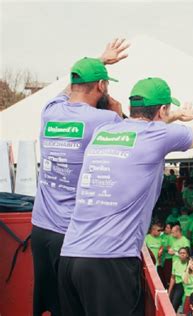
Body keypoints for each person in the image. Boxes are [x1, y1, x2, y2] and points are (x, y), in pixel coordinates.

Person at [58, 76, 193, 315]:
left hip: (70, 256)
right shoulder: (157, 136)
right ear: (162, 109)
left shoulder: (105, 131)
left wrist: (172, 118)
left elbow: (141, 130)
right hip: (110, 261)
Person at [30, 39, 129, 316]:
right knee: (71, 307)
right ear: (101, 86)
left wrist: (101, 61)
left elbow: (68, 89)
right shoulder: (105, 121)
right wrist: (119, 115)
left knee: (46, 304)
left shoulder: (50, 111)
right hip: (72, 235)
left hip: (40, 229)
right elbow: (132, 148)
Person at [169, 247, 191, 311]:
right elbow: (173, 278)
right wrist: (169, 291)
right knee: (172, 304)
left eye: (184, 253)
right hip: (177, 285)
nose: (182, 254)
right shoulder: (175, 263)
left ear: (187, 254)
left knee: (177, 305)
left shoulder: (190, 263)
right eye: (180, 253)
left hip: (186, 285)